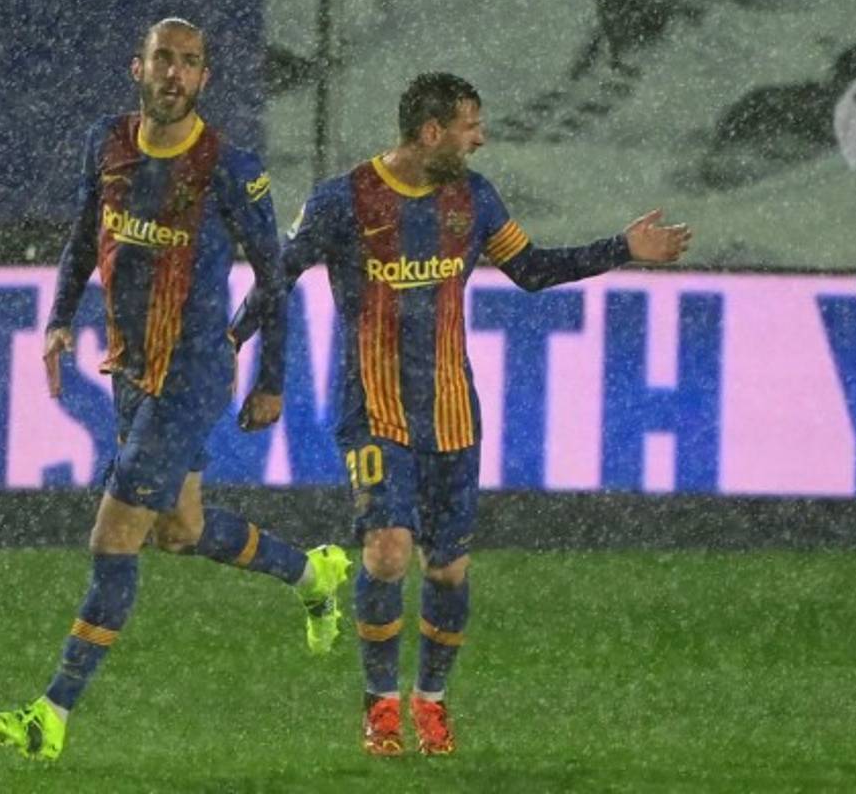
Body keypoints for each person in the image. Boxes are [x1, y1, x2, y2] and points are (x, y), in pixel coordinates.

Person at [233, 72, 691, 757]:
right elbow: (278, 273)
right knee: (387, 552)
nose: (481, 138)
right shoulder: (343, 199)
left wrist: (621, 249)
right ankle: (380, 705)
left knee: (447, 571)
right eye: (470, 126)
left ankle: (432, 701)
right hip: (373, 408)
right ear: (432, 133)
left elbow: (530, 269)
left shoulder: (473, 199)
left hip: (452, 412)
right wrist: (234, 340)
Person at [0, 17, 351, 763]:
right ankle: (314, 574)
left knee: (114, 536)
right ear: (138, 68)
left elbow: (273, 276)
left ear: (205, 78)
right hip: (130, 367)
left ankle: (51, 713)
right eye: (163, 59)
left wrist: (271, 378)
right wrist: (59, 319)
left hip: (192, 372)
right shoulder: (107, 143)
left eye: (189, 62)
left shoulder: (229, 168)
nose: (175, 73)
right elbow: (85, 235)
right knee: (179, 530)